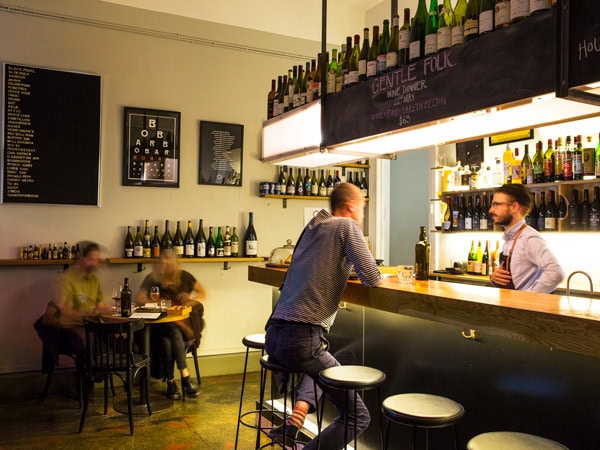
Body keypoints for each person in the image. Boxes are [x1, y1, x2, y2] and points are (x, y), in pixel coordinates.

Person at [265, 183, 383, 449]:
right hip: (301, 340)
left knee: (323, 362)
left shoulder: (313, 228)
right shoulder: (346, 226)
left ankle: (293, 423)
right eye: (363, 208)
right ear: (352, 206)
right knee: (358, 417)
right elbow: (372, 278)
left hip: (274, 337)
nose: (362, 215)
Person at [135, 249, 206, 400]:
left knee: (168, 341)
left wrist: (190, 296)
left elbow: (203, 294)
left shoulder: (185, 277)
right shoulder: (152, 278)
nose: (165, 263)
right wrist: (155, 302)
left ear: (175, 261)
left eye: (168, 259)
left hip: (179, 327)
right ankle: (186, 379)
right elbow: (139, 299)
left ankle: (171, 384)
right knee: (171, 332)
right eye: (162, 260)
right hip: (159, 325)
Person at [34, 241, 110, 374]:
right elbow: (64, 312)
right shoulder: (65, 279)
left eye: (96, 260)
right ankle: (85, 384)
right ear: (81, 259)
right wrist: (88, 313)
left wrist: (114, 316)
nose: (95, 263)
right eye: (91, 259)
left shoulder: (93, 279)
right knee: (91, 340)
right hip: (68, 330)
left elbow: (101, 306)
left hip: (89, 326)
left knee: (119, 339)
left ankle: (96, 377)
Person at [489, 184, 564, 293]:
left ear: (514, 207)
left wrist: (529, 298)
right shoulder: (509, 238)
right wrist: (494, 278)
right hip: (509, 305)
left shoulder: (529, 238)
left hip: (520, 308)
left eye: (496, 205)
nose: (491, 210)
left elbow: (556, 273)